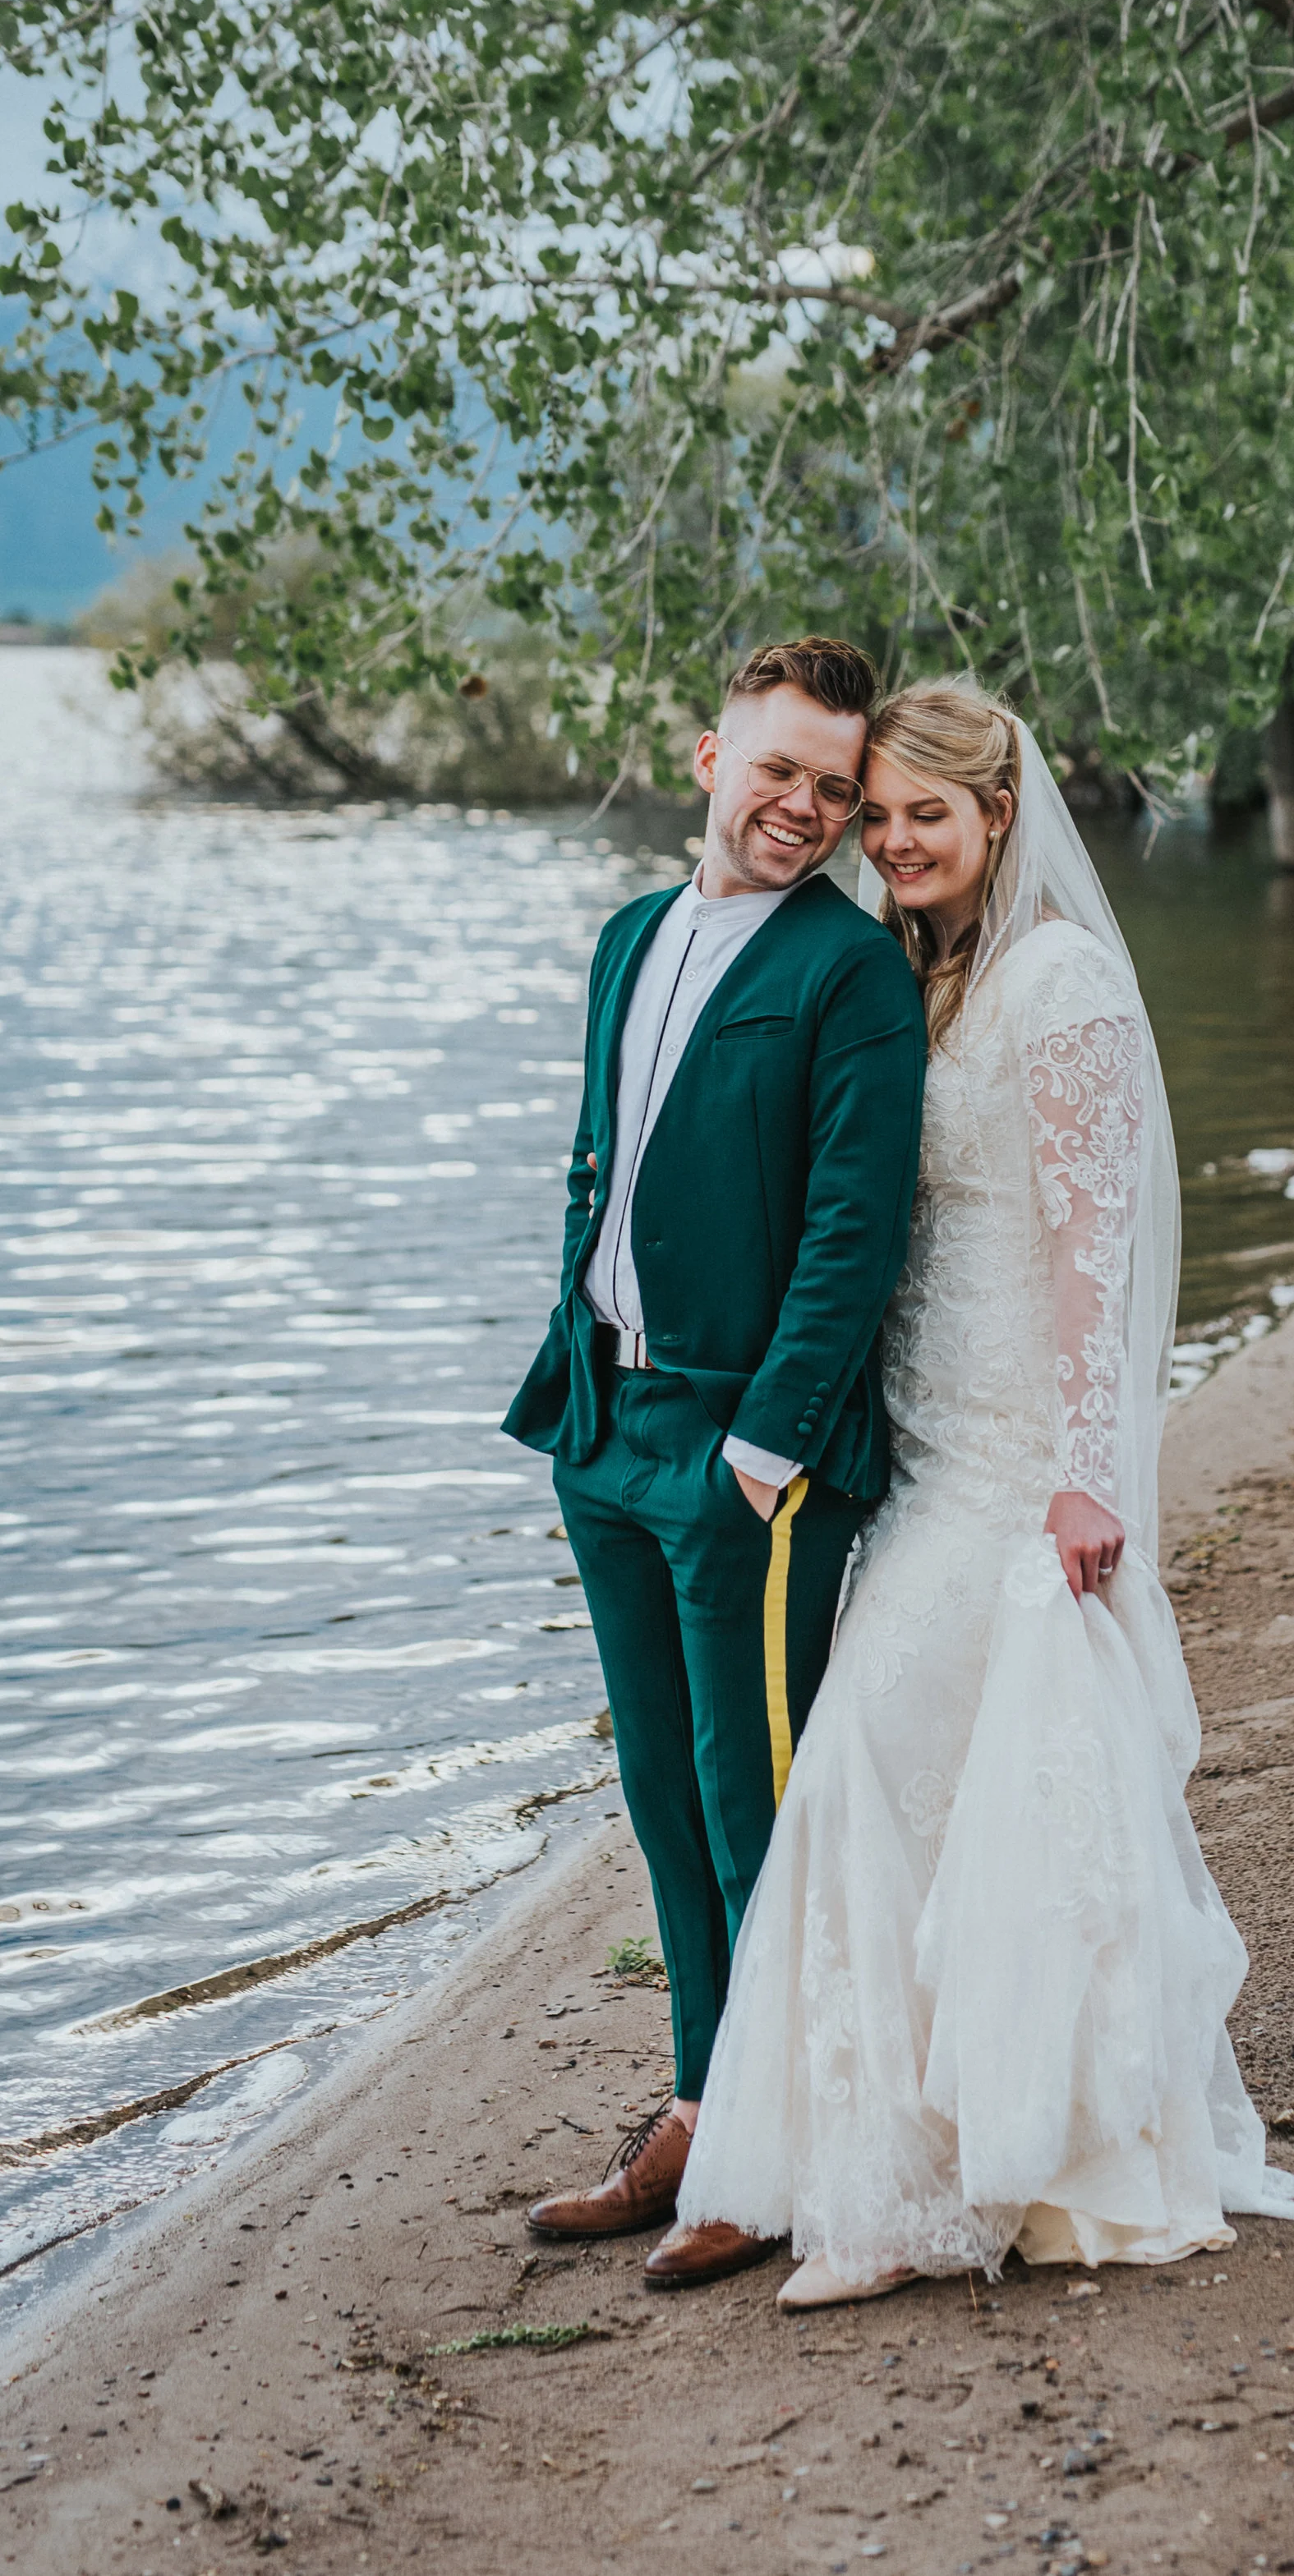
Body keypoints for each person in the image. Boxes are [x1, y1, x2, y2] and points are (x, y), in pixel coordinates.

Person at [672, 680, 1294, 2304]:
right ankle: (891, 2160)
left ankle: (929, 2191)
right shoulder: (908, 972)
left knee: (885, 1756)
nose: (892, 841)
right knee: (915, 1779)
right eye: (875, 816)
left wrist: (1091, 1470)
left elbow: (1097, 1248)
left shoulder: (1060, 981)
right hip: (923, 1444)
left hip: (1022, 1453)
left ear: (998, 812)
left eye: (924, 815)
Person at [501, 637, 928, 2287]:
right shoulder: (629, 934)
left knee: (758, 1805)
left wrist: (763, 1450)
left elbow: (853, 1230)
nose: (804, 806)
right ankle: (701, 2104)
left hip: (748, 1457)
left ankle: (779, 2151)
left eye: (834, 786)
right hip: (602, 1427)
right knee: (663, 1795)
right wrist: (575, 1370)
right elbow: (601, 1164)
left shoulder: (849, 970)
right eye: (779, 769)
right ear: (708, 757)